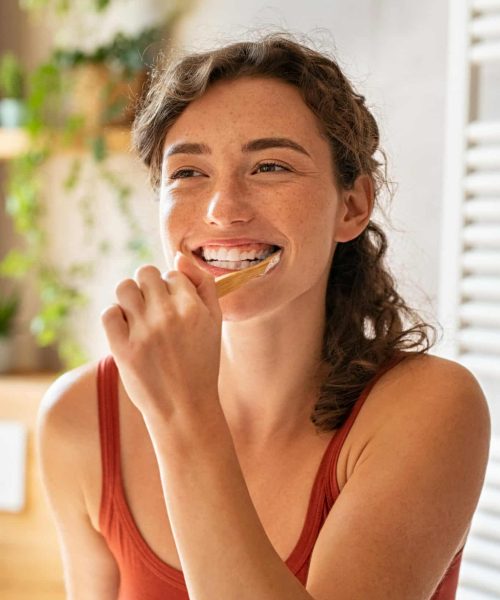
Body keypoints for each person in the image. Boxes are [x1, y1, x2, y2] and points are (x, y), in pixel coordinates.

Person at [37, 33, 491, 600]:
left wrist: (183, 413)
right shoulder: (79, 417)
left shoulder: (430, 408)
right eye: (188, 173)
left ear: (351, 206)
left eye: (271, 166)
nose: (223, 208)